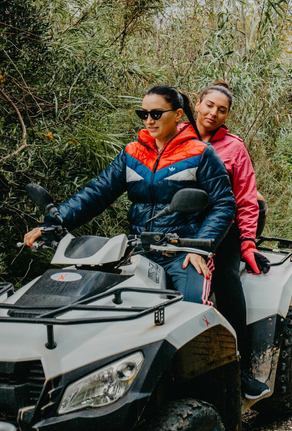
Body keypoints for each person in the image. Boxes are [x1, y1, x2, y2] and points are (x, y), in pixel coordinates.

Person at [24, 86, 236, 306]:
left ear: (178, 114)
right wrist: (54, 222)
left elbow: (223, 204)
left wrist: (199, 248)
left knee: (192, 308)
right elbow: (98, 192)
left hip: (183, 252)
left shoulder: (201, 153)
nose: (149, 121)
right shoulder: (132, 153)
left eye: (156, 114)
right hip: (139, 249)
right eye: (143, 114)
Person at [191, 81, 272, 399]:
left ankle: (241, 370)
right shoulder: (176, 137)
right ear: (197, 103)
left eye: (221, 109)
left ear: (227, 115)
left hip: (222, 232)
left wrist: (247, 243)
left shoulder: (234, 147)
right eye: (209, 105)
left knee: (226, 281)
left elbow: (247, 200)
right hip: (180, 230)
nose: (213, 113)